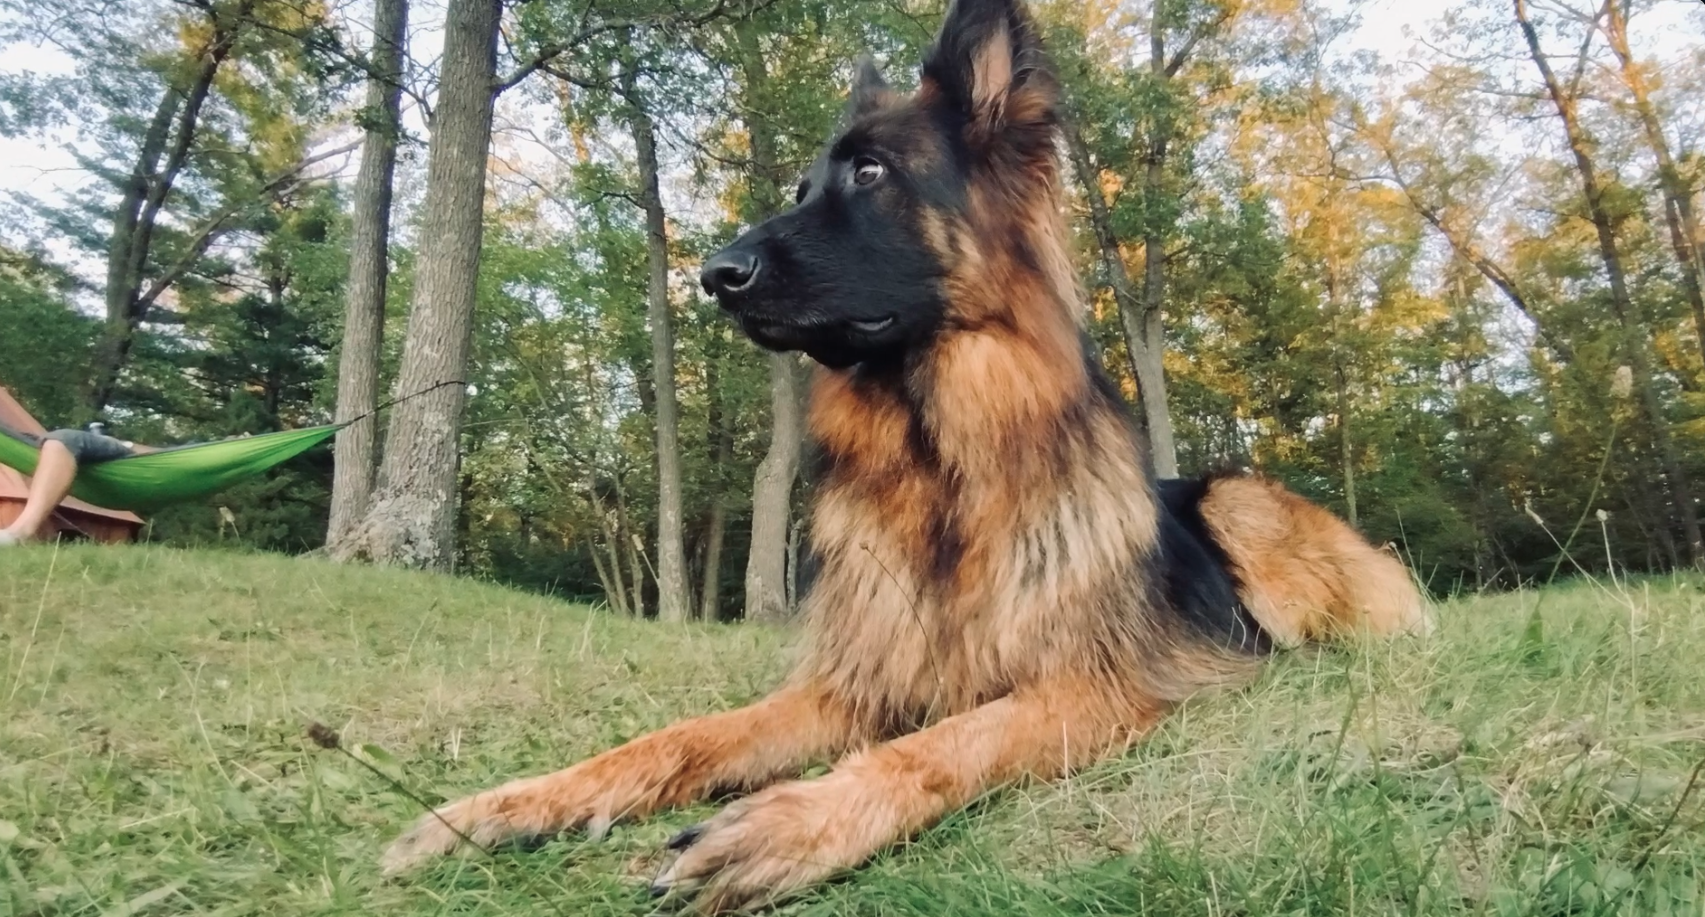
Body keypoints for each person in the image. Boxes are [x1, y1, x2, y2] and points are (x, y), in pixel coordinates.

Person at [0, 425, 159, 545]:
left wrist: (124, 445)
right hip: (101, 452)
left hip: (130, 456)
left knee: (65, 439)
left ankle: (20, 533)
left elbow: (174, 455)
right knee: (38, 440)